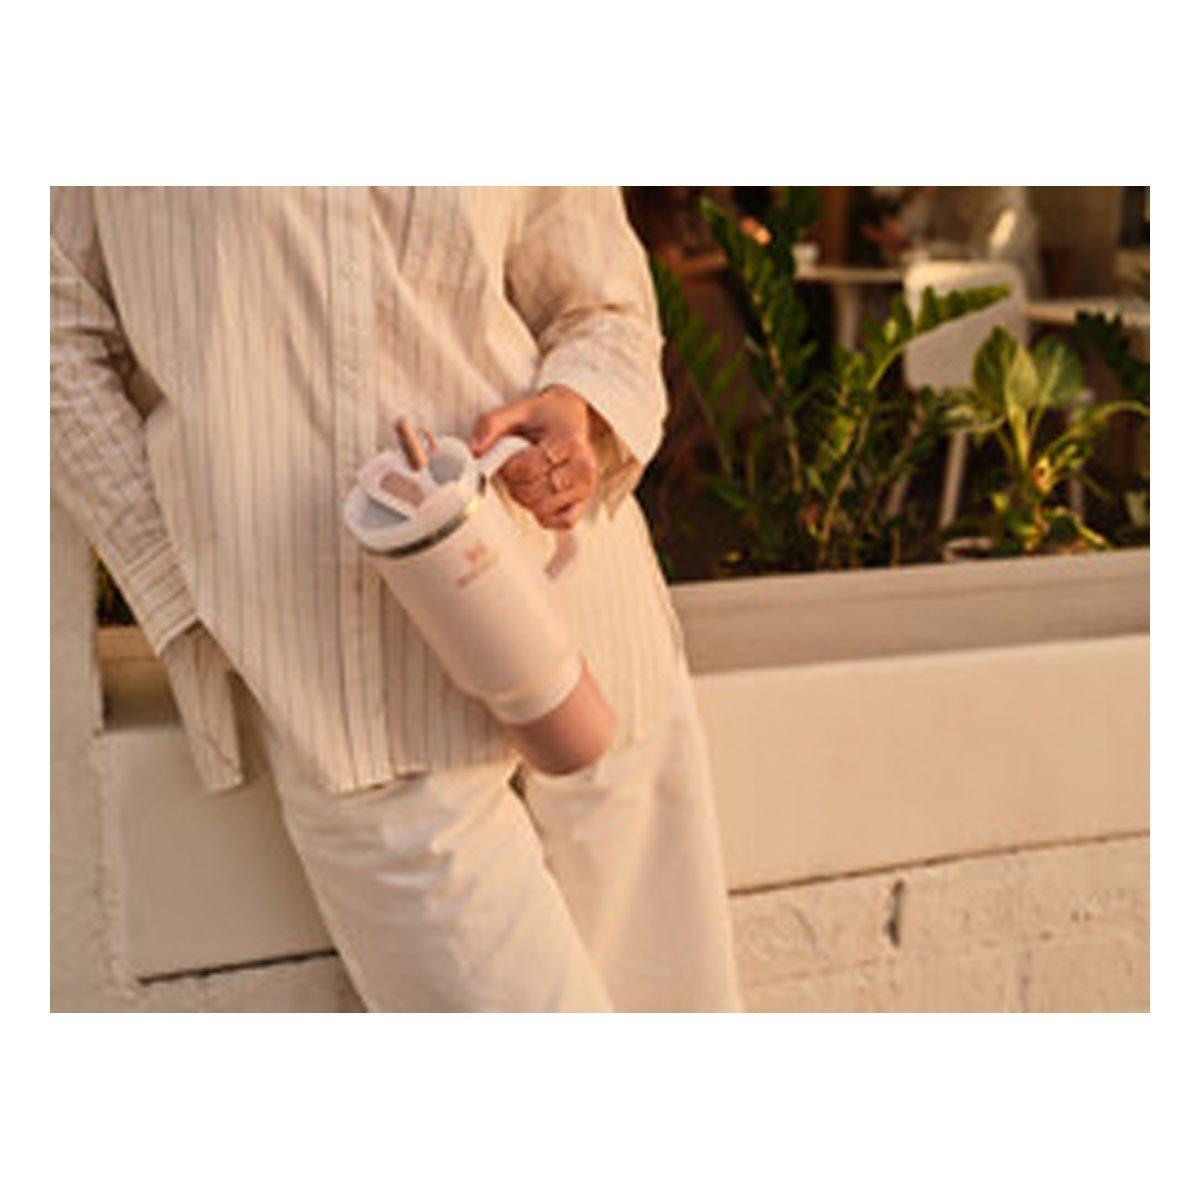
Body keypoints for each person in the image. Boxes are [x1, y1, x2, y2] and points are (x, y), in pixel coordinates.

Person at [50, 187, 742, 1013]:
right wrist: (187, 584)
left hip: (589, 638)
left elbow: (601, 306)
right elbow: (50, 329)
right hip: (348, 688)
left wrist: (576, 411)